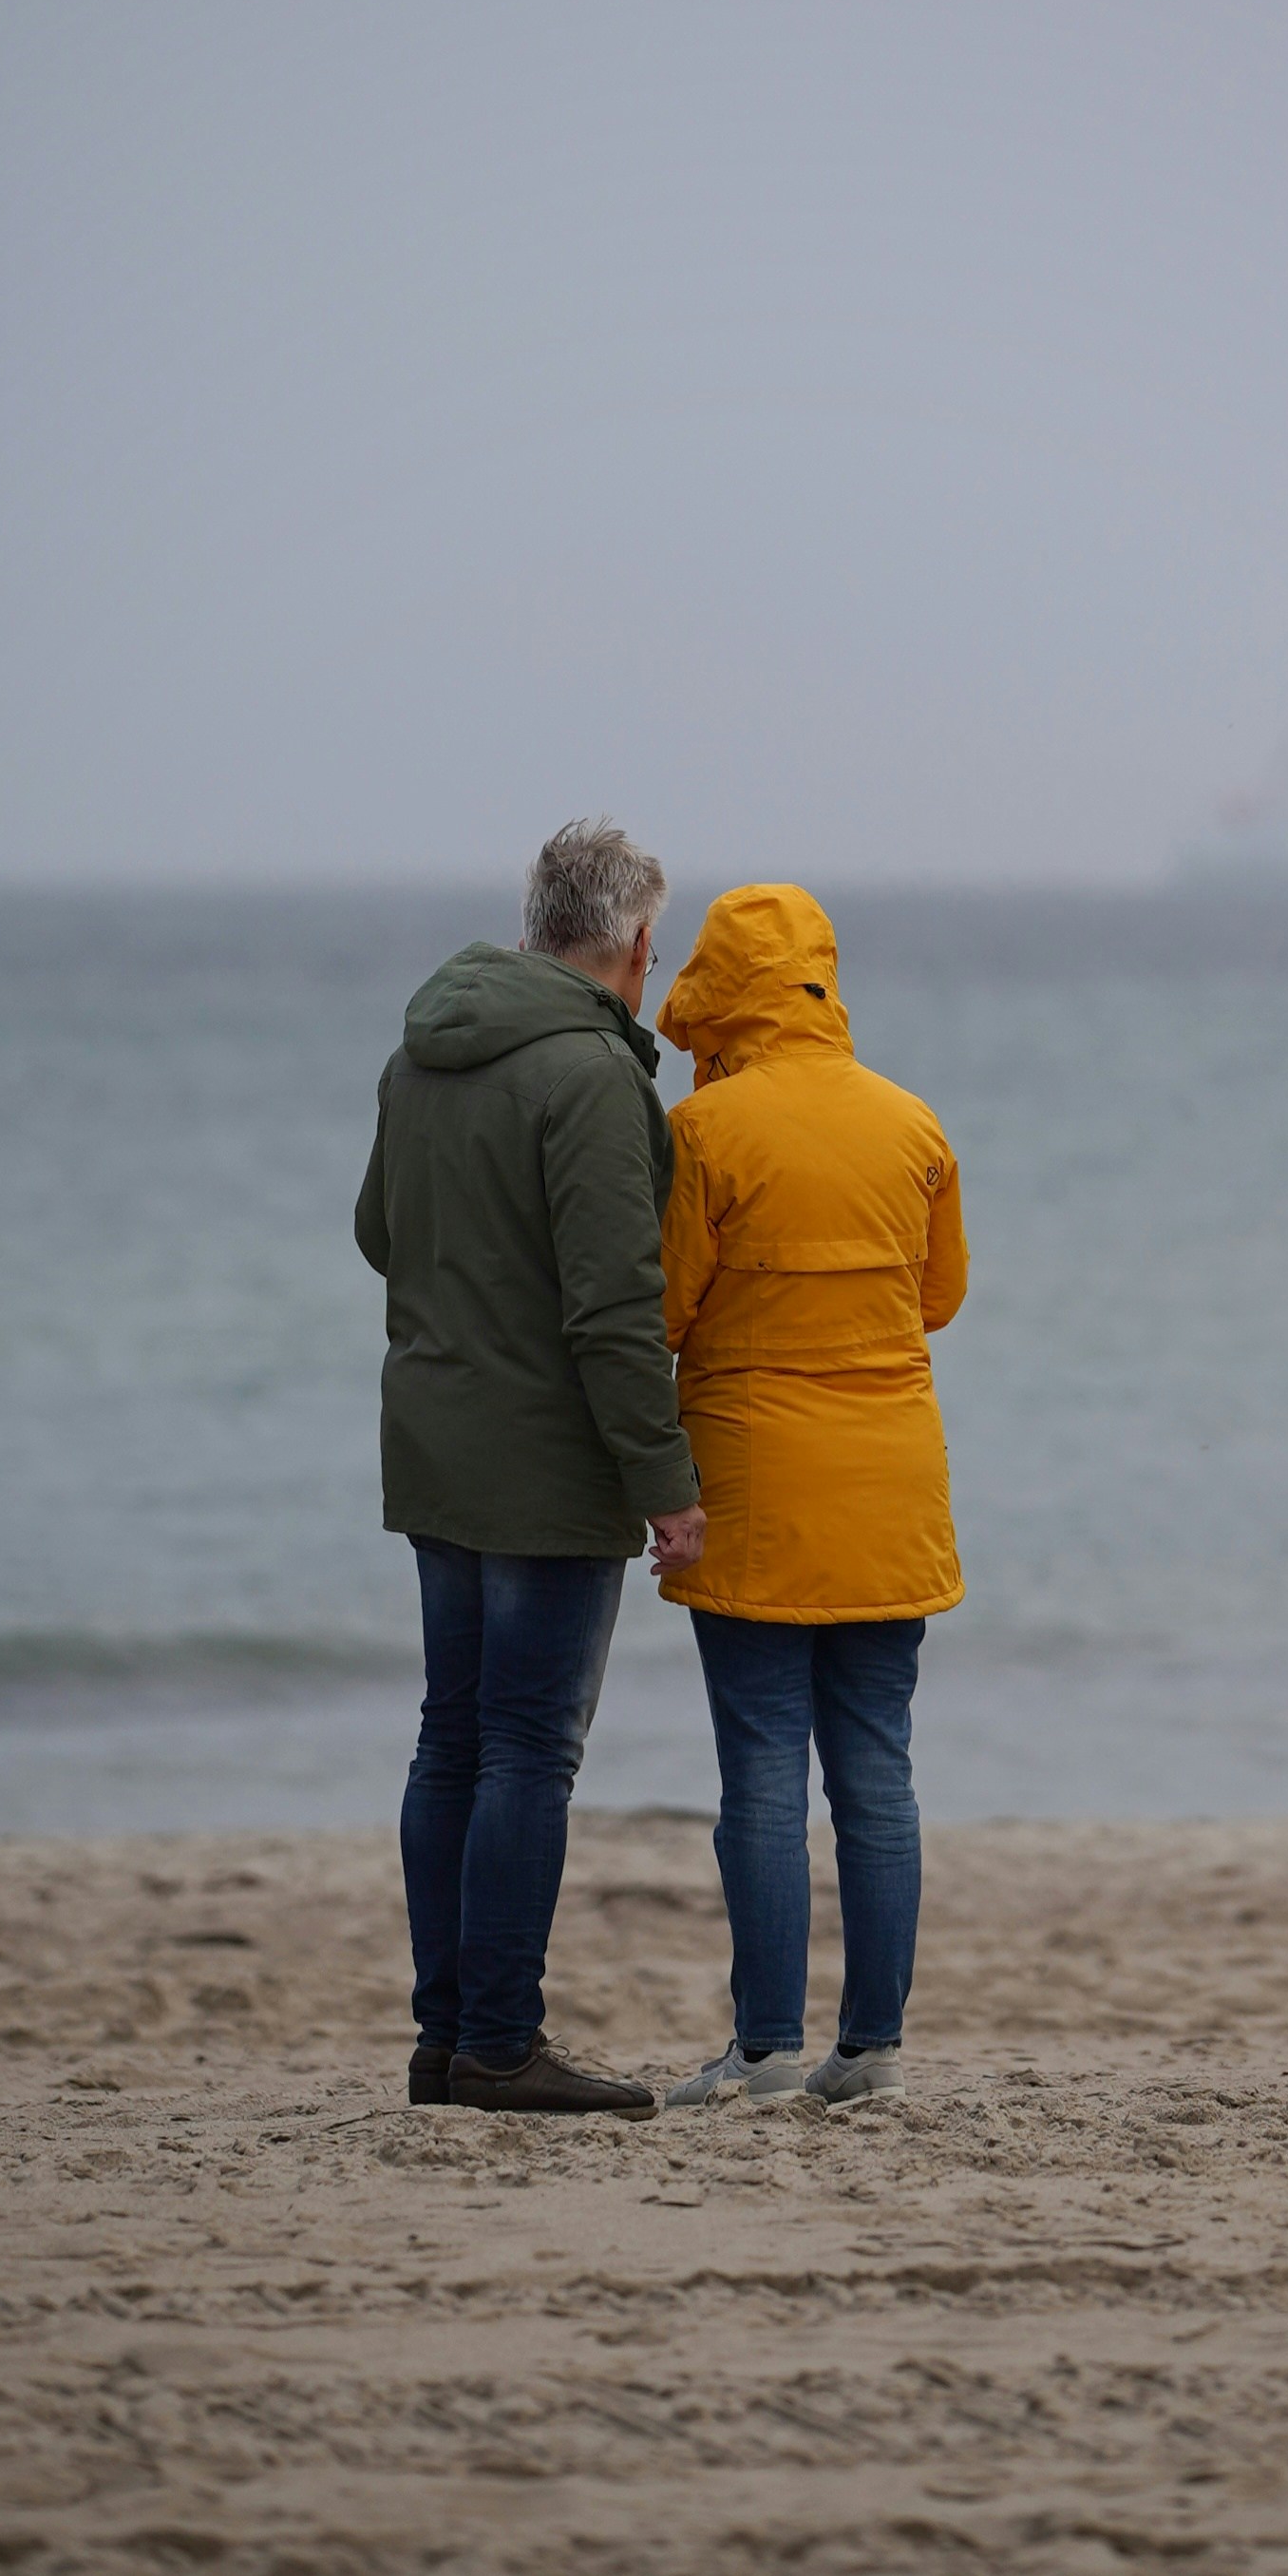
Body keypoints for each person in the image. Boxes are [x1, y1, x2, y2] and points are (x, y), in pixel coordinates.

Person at [353, 817, 707, 2115]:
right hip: (546, 1463)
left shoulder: (423, 1048)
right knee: (524, 1751)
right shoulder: (591, 1076)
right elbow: (615, 1308)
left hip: (435, 1439)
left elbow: (377, 1228)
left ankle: (447, 2037)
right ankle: (500, 2041)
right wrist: (665, 1482)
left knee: (452, 1737)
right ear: (634, 945)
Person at [648, 883, 967, 2107]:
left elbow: (667, 1307)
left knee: (765, 1775)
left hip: (757, 1482)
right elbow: (937, 1300)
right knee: (878, 1773)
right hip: (892, 1477)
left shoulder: (707, 1133)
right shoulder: (913, 1122)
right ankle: (872, 2050)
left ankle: (767, 2048)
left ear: (721, 995)